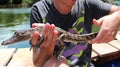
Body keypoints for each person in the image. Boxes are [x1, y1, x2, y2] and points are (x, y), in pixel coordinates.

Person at [30, 0, 120, 67]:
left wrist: (116, 18)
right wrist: (46, 47)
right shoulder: (39, 10)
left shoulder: (87, 3)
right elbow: (38, 63)